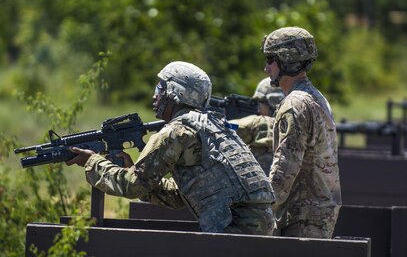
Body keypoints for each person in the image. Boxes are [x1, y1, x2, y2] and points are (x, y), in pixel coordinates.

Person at [66, 61, 275, 235]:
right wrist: (134, 172)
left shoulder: (176, 131)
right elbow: (181, 194)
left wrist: (92, 162)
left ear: (175, 92)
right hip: (260, 228)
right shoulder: (216, 124)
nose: (155, 95)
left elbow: (132, 187)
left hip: (232, 230)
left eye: (160, 88)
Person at [261, 26, 342, 238]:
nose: (266, 68)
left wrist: (260, 208)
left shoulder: (294, 105)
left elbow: (284, 168)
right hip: (315, 212)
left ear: (287, 60)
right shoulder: (315, 97)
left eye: (271, 60)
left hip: (301, 216)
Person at [230, 77, 285, 175]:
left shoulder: (260, 123)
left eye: (260, 103)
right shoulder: (292, 125)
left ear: (273, 101)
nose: (258, 110)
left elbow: (225, 127)